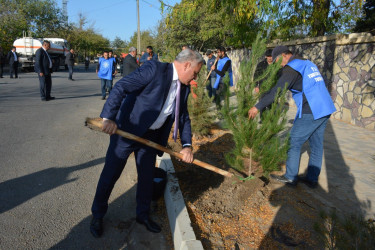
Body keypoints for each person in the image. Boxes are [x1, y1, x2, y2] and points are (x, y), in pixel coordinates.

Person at [89, 49, 203, 238]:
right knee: (111, 174)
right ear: (186, 65)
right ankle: (98, 214)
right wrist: (108, 117)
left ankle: (142, 215)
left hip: (151, 138)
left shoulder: (184, 87)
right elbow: (122, 86)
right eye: (195, 73)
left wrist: (187, 145)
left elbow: (183, 116)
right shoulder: (155, 69)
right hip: (127, 131)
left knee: (146, 178)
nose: (194, 78)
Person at [248, 45, 336, 187]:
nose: (278, 65)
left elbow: (277, 91)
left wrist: (257, 107)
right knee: (316, 144)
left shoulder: (291, 68)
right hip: (325, 107)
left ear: (284, 55)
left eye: (277, 61)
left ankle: (290, 177)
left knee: (293, 141)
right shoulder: (306, 63)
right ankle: (312, 179)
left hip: (311, 108)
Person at [254, 49, 274, 120]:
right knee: (262, 103)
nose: (270, 58)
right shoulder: (261, 64)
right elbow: (256, 76)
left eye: (271, 56)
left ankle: (271, 120)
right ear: (266, 56)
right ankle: (262, 119)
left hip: (273, 87)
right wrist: (256, 86)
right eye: (268, 56)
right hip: (263, 87)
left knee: (272, 104)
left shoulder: (276, 64)